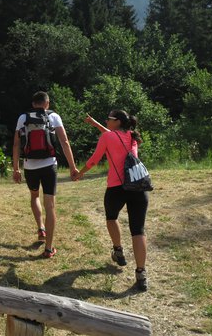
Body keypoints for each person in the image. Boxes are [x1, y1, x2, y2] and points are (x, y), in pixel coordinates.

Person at [76, 110, 149, 291]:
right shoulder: (132, 136)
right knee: (138, 231)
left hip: (117, 188)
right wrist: (95, 124)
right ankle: (141, 274)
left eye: (108, 118)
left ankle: (118, 250)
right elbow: (112, 136)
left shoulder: (107, 138)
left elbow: (94, 160)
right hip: (138, 186)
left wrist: (80, 172)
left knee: (111, 218)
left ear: (116, 122)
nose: (106, 121)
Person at [12, 91, 79, 258]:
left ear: (33, 104)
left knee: (34, 196)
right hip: (49, 165)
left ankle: (41, 228)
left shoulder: (23, 118)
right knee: (50, 205)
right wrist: (72, 167)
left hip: (29, 166)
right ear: (47, 104)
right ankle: (49, 249)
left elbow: (16, 144)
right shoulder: (54, 116)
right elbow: (64, 142)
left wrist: (16, 168)